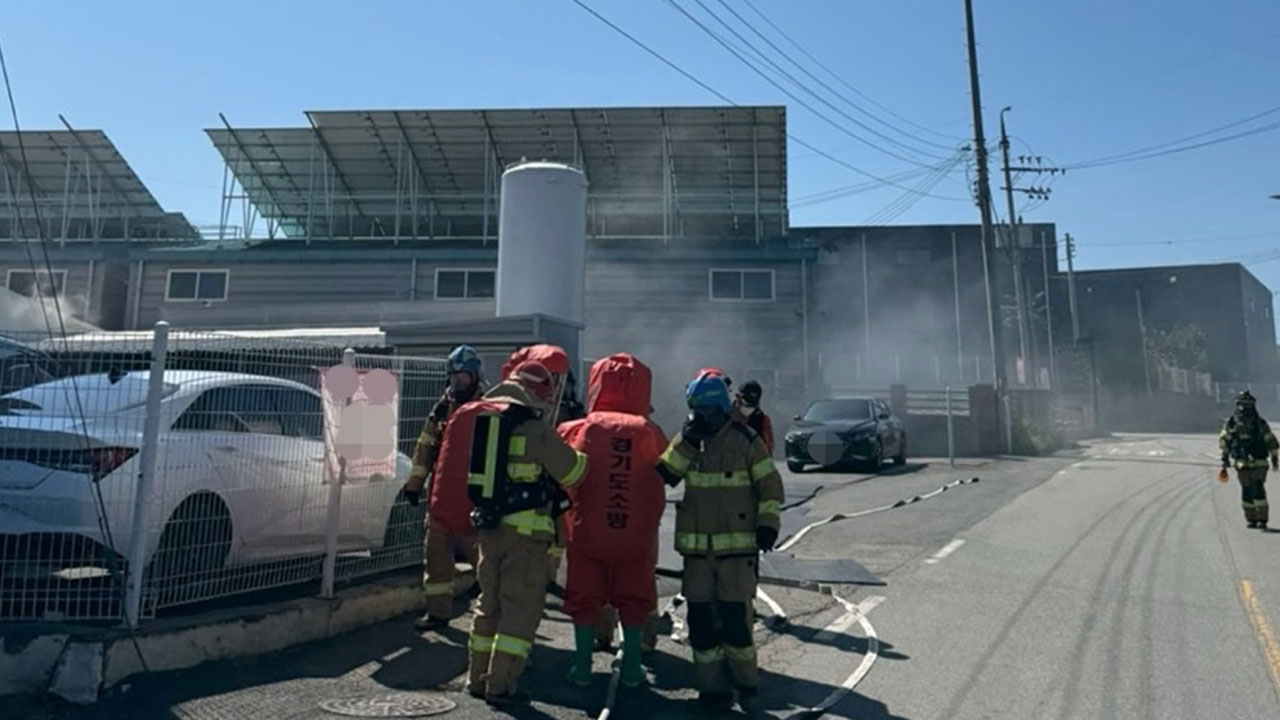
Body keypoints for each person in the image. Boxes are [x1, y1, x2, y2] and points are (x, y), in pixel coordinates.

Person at [461, 360, 589, 706]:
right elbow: (573, 473)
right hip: (526, 539)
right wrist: (584, 455)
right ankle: (501, 686)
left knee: (489, 605)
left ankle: (477, 679)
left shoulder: (489, 425)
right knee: (519, 611)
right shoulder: (539, 432)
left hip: (490, 532)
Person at [655, 371, 784, 712]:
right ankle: (712, 690)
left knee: (735, 624)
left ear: (721, 409)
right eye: (695, 411)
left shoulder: (745, 440)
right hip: (698, 554)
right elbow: (666, 473)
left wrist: (768, 524)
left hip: (737, 553)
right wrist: (685, 441)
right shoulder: (689, 438)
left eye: (705, 411)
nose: (700, 417)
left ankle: (746, 683)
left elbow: (770, 486)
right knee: (700, 626)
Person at [557, 353, 668, 689]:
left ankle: (582, 667)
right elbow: (671, 468)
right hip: (636, 537)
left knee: (583, 599)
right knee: (634, 601)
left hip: (586, 533)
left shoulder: (578, 428)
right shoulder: (651, 432)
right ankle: (632, 669)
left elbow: (558, 465)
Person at [403, 345, 485, 631]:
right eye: (454, 376)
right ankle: (437, 613)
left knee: (485, 563)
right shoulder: (442, 408)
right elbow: (425, 446)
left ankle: (493, 616)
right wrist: (415, 484)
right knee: (436, 558)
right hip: (441, 497)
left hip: (475, 499)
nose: (458, 382)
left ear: (475, 376)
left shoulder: (489, 407)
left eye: (464, 376)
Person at [500, 344, 582, 584]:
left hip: (555, 480)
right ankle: (539, 580)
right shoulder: (515, 417)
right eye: (550, 378)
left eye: (557, 379)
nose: (555, 385)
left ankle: (548, 577)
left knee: (558, 533)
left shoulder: (568, 408)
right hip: (527, 493)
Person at [1220, 390, 1279, 529]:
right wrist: (1224, 458)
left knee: (1257, 488)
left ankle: (1262, 519)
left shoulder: (1260, 424)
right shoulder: (1232, 423)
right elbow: (1225, 440)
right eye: (1242, 405)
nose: (1244, 408)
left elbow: (1270, 440)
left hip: (1259, 462)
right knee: (1246, 490)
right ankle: (1251, 518)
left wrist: (1274, 457)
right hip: (1241, 463)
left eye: (1247, 405)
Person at [734, 380, 775, 456]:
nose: (749, 409)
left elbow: (768, 449)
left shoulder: (763, 420)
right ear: (737, 398)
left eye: (752, 405)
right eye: (746, 404)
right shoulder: (725, 419)